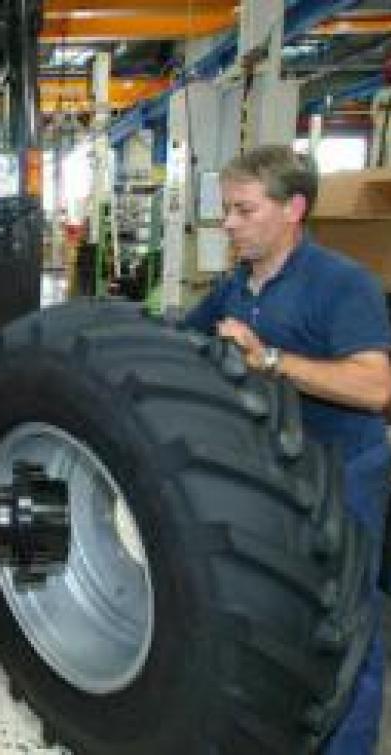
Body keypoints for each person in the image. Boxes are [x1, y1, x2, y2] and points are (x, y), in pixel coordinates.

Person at [183, 144, 391, 754]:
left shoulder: (343, 284)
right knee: (279, 610)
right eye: (226, 210)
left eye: (244, 210)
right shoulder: (235, 289)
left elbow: (376, 386)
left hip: (344, 471)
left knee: (348, 628)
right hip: (276, 470)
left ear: (293, 208)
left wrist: (269, 361)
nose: (228, 224)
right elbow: (178, 340)